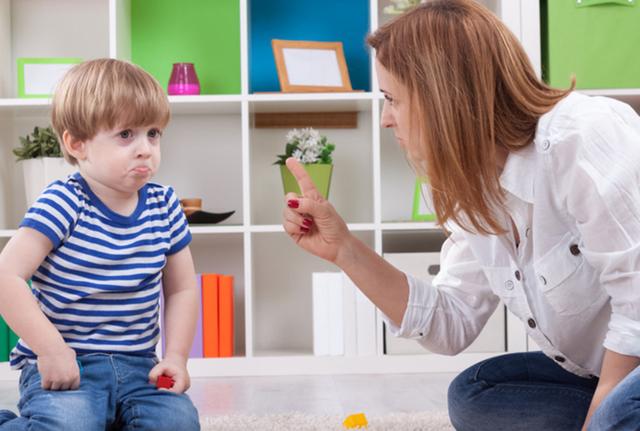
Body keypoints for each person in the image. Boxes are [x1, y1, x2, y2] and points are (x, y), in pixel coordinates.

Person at [282, 1, 640, 430]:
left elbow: (637, 305)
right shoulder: (477, 186)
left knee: (616, 412)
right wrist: (344, 249)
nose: (385, 119)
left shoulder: (582, 135)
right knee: (476, 394)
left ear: (444, 95)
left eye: (392, 99)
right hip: (606, 369)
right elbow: (449, 323)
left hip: (631, 359)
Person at [0, 59, 200, 430]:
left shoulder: (165, 204)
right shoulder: (63, 201)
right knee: (69, 423)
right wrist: (51, 350)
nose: (145, 148)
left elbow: (183, 289)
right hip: (69, 364)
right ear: (77, 144)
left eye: (153, 133)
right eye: (126, 134)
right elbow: (6, 277)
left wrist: (176, 357)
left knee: (178, 423)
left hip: (141, 366)